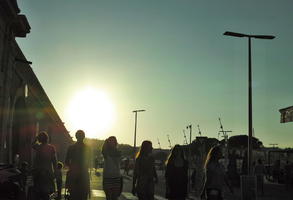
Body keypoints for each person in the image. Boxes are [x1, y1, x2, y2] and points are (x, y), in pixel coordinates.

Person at [65, 130, 91, 200]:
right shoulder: (87, 148)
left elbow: (66, 161)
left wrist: (72, 167)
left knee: (73, 195)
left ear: (76, 136)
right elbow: (90, 162)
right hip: (83, 174)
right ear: (84, 137)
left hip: (73, 174)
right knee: (83, 195)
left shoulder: (71, 148)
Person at [32, 131, 57, 200]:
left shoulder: (38, 147)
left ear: (40, 139)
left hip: (38, 173)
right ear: (47, 138)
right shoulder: (51, 148)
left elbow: (32, 144)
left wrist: (36, 138)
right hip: (48, 172)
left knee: (38, 193)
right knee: (47, 193)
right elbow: (54, 161)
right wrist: (55, 172)